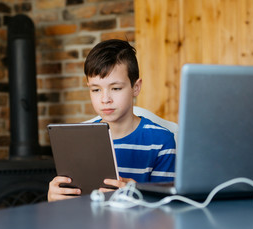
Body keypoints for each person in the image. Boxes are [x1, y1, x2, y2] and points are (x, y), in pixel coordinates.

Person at [48, 39, 175, 201]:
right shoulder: (79, 140)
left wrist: (139, 193)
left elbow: (167, 209)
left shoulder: (161, 141)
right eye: (95, 89)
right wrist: (53, 199)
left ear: (135, 87)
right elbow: (73, 205)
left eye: (115, 88)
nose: (105, 99)